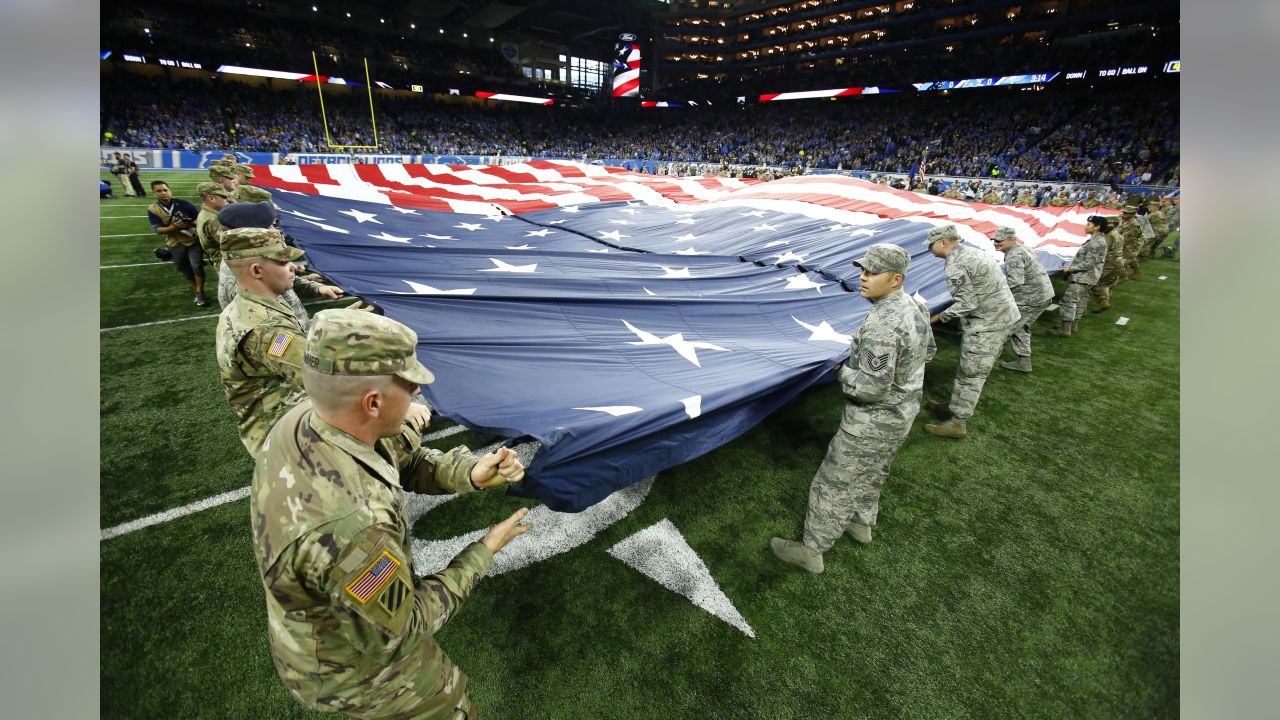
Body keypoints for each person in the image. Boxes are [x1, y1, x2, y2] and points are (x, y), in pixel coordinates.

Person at [252, 308, 532, 719]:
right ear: (373, 402)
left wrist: (471, 472)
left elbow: (404, 458)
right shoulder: (350, 526)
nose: (418, 393)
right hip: (357, 672)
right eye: (409, 383)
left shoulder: (309, 419)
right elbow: (402, 629)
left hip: (325, 628)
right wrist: (485, 549)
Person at [770, 244, 934, 573]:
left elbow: (871, 389)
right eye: (862, 270)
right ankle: (861, 524)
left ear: (895, 279)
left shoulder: (882, 325)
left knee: (833, 481)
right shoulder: (912, 306)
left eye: (872, 273)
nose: (862, 278)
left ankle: (812, 550)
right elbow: (929, 351)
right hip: (901, 416)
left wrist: (841, 370)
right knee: (873, 472)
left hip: (870, 422)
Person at [215, 226, 375, 457]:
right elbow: (325, 378)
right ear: (257, 270)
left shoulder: (252, 306)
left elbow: (293, 347)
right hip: (290, 440)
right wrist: (398, 401)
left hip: (285, 416)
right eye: (281, 262)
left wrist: (333, 324)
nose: (292, 267)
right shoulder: (266, 328)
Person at [921, 224, 1020, 439]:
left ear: (943, 242)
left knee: (971, 373)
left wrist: (936, 319)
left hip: (987, 325)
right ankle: (954, 408)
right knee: (968, 370)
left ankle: (957, 423)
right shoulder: (973, 252)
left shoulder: (956, 264)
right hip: (1001, 318)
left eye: (931, 246)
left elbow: (967, 303)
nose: (930, 250)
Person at [218, 201, 324, 326]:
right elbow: (284, 333)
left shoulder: (243, 260)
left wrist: (315, 287)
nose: (276, 231)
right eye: (269, 227)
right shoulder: (267, 320)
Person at [992, 227, 1053, 372]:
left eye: (1000, 241)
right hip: (1041, 295)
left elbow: (1015, 282)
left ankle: (984, 363)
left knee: (1002, 329)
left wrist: (994, 294)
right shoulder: (1022, 248)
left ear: (1012, 240)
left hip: (1030, 298)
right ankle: (1023, 362)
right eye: (994, 240)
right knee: (1020, 328)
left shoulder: (1013, 255)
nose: (996, 243)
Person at [147, 180, 210, 307]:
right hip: (174, 242)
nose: (163, 193)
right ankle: (196, 288)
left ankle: (200, 293)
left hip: (192, 240)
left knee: (197, 266)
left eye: (165, 190)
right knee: (185, 269)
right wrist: (174, 227)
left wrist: (191, 223)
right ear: (154, 193)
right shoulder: (153, 209)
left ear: (170, 190)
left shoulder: (184, 204)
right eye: (159, 191)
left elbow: (200, 219)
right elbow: (158, 230)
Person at [1049, 215, 1109, 337]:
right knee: (1080, 301)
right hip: (1088, 278)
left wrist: (1070, 269)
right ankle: (1073, 326)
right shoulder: (1096, 240)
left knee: (1069, 301)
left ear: (1097, 227)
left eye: (1089, 224)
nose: (1085, 226)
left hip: (1083, 277)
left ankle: (1065, 329)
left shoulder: (1097, 243)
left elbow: (1089, 263)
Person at [1089, 216, 1127, 313]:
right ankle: (1104, 302)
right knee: (1105, 284)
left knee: (1095, 283)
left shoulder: (1110, 236)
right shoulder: (1116, 234)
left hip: (1109, 264)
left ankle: (1103, 302)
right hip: (1117, 263)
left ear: (1112, 225)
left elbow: (1103, 251)